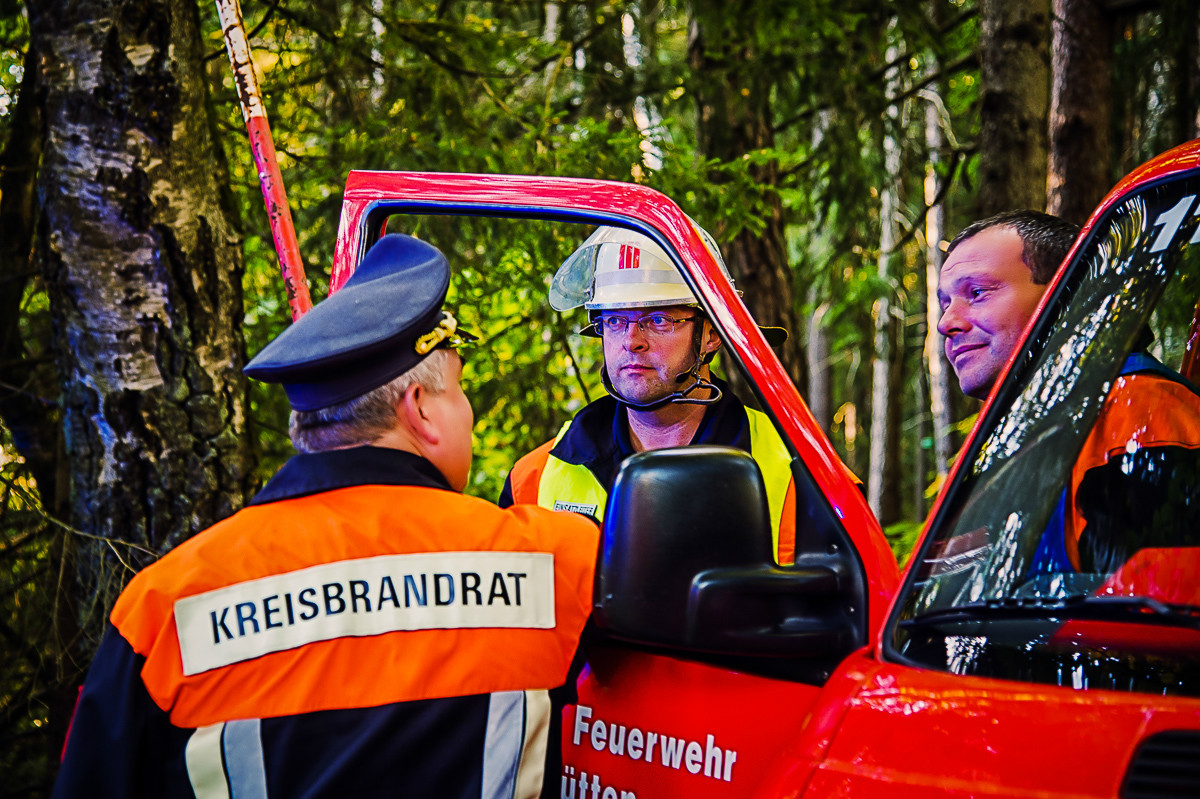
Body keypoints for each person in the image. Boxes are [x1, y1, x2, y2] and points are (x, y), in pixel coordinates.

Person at [52, 234, 600, 799]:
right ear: (418, 409)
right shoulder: (554, 562)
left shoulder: (165, 607)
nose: (470, 412)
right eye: (459, 389)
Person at [500, 225, 802, 563]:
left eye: (658, 320)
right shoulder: (533, 480)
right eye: (615, 321)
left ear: (711, 334)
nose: (632, 341)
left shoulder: (796, 470)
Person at [937, 210, 1200, 574]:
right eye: (945, 303)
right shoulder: (1028, 434)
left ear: (1068, 298)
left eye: (977, 293)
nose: (946, 322)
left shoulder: (1136, 411)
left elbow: (1151, 601)